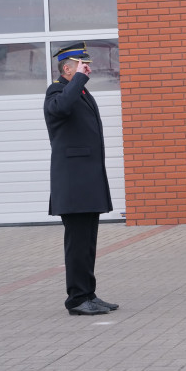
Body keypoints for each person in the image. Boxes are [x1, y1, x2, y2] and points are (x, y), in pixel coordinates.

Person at [43, 41, 117, 316]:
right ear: (66, 68)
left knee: (88, 243)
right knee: (77, 244)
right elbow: (61, 108)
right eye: (80, 65)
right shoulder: (57, 91)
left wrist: (81, 80)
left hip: (87, 182)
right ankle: (76, 299)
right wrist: (80, 79)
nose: (87, 68)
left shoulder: (80, 91)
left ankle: (88, 293)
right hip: (73, 184)